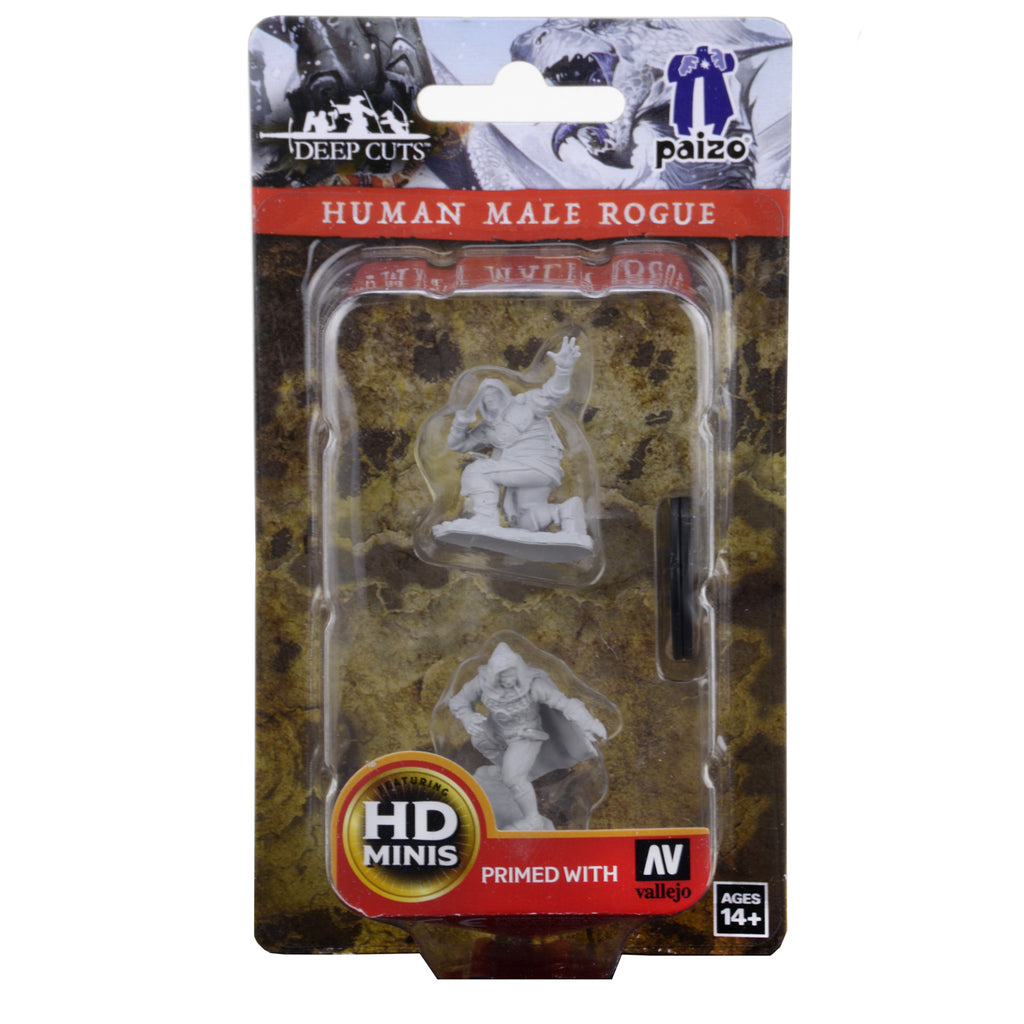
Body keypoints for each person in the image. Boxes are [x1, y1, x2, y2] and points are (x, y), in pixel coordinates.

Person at [449, 642, 607, 830]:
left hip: (524, 736)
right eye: (503, 676)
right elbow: (458, 701)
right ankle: (505, 774)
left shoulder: (533, 686)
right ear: (494, 676)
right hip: (496, 730)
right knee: (480, 741)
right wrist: (468, 717)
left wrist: (589, 723)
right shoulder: (482, 683)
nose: (509, 681)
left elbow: (566, 704)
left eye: (512, 675)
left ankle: (533, 820)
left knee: (514, 779)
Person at [446, 336, 586, 537]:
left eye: (494, 393)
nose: (490, 398)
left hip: (536, 464)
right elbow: (458, 445)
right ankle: (565, 512)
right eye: (485, 397)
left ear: (503, 393)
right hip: (526, 473)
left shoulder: (527, 403)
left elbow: (552, 395)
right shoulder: (487, 427)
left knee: (477, 471)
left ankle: (484, 520)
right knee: (524, 520)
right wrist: (460, 424)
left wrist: (563, 369)